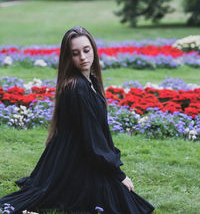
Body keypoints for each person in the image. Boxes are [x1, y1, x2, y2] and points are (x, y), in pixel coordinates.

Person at [0, 26, 155, 214]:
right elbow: (91, 140)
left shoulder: (92, 81)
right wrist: (117, 174)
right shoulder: (77, 88)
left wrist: (112, 165)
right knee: (119, 199)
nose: (83, 57)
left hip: (79, 152)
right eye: (75, 53)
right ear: (68, 57)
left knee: (118, 195)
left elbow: (98, 131)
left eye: (86, 50)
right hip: (75, 157)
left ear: (94, 50)